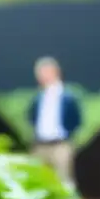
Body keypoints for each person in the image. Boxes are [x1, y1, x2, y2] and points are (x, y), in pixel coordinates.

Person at [26, 56, 83, 185]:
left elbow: (76, 120)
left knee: (64, 181)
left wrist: (68, 134)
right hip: (40, 145)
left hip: (61, 145)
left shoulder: (68, 97)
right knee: (39, 181)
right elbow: (31, 118)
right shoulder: (38, 98)